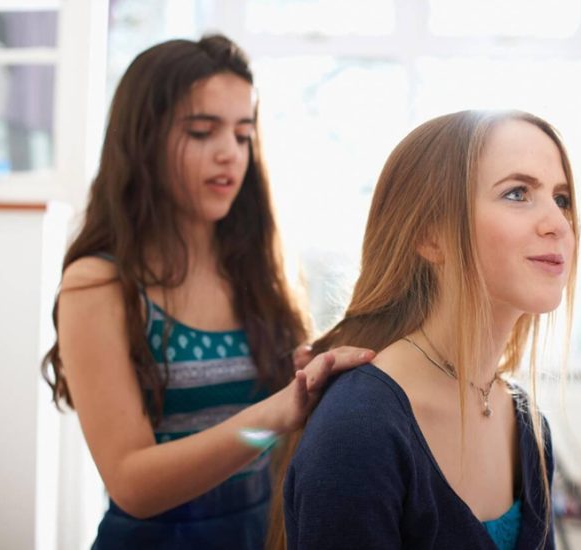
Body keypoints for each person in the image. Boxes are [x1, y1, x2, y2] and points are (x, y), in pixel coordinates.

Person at [40, 34, 373, 550]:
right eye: (202, 131)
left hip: (263, 532)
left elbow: (280, 435)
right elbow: (133, 484)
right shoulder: (100, 283)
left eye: (243, 135)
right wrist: (276, 413)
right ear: (143, 140)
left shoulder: (259, 270)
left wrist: (308, 383)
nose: (229, 154)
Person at [277, 110, 579, 550]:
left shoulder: (529, 429)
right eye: (517, 193)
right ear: (430, 236)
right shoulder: (358, 432)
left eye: (562, 199)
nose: (558, 223)